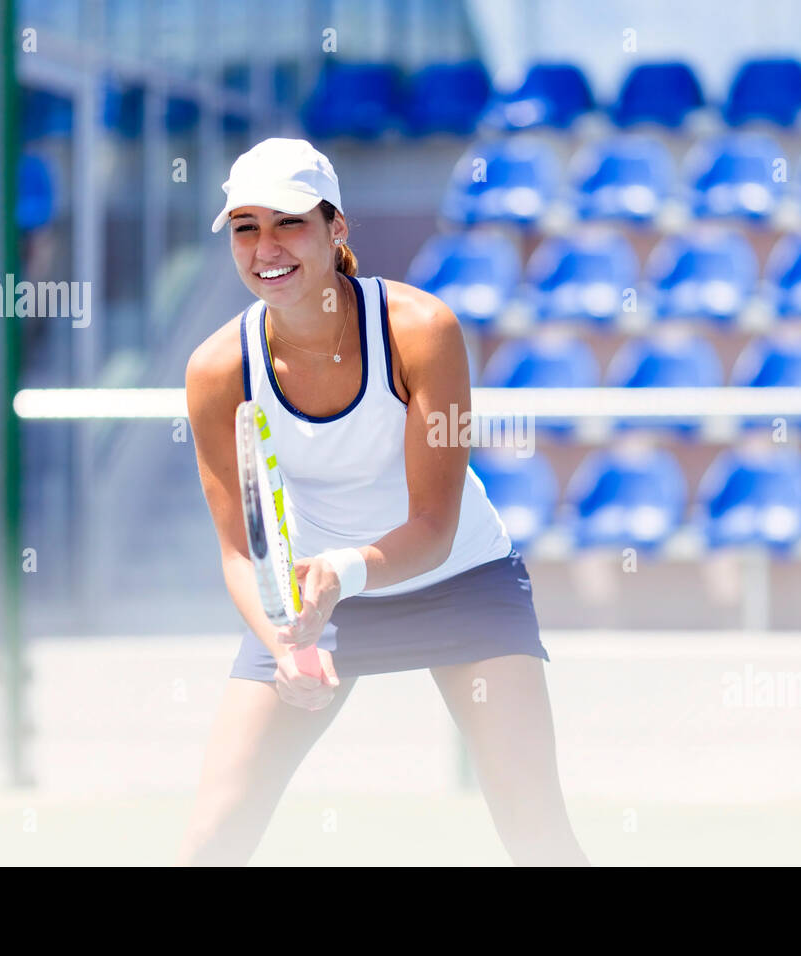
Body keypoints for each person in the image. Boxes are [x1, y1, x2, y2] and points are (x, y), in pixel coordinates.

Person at [176, 138, 588, 866]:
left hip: (460, 584)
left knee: (538, 834)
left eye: (289, 223)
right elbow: (240, 551)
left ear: (337, 229)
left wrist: (336, 576)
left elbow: (434, 526)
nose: (265, 247)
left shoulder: (423, 331)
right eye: (246, 227)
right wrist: (286, 641)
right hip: (312, 607)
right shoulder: (215, 370)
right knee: (209, 842)